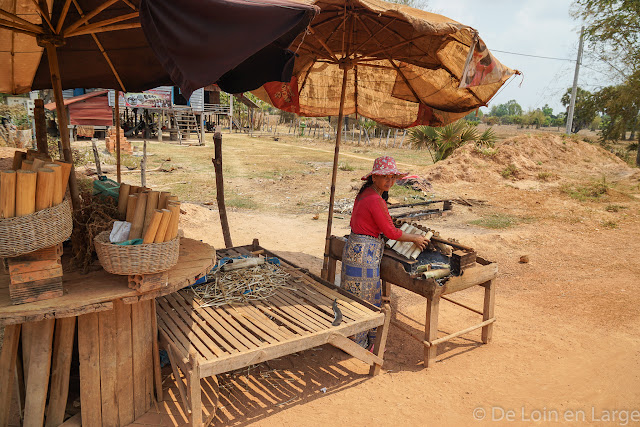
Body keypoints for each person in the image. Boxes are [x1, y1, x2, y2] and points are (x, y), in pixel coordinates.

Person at [341, 156, 430, 349]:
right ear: (374, 178)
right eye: (385, 177)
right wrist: (415, 238)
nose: (389, 181)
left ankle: (350, 338)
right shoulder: (375, 199)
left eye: (392, 177)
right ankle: (361, 345)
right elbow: (390, 232)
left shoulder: (365, 194)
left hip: (354, 248)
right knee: (367, 298)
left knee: (353, 296)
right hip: (365, 254)